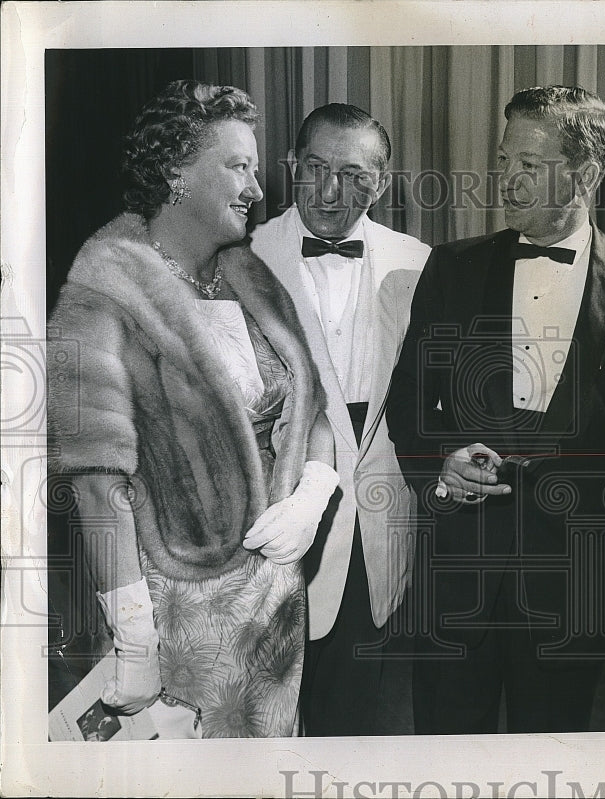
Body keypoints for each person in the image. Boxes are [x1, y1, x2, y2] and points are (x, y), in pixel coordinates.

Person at [386, 86, 605, 734]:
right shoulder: (454, 268)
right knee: (444, 755)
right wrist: (440, 463)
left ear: (584, 173)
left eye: (528, 163)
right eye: (504, 160)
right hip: (456, 577)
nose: (507, 178)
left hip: (575, 591)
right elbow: (409, 396)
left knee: (551, 760)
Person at [47, 80, 339, 738]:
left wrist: (315, 490)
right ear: (176, 174)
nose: (259, 190)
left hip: (275, 623)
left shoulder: (248, 274)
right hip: (178, 629)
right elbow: (98, 485)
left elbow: (311, 405)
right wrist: (135, 644)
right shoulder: (102, 295)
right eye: (239, 166)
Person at [250, 103, 430, 736]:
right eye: (316, 168)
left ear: (380, 183)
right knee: (263, 714)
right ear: (293, 166)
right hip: (268, 519)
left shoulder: (421, 264)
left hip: (375, 529)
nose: (330, 191)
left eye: (353, 175)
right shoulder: (243, 256)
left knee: (352, 716)